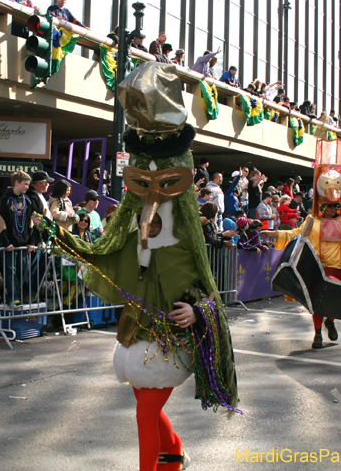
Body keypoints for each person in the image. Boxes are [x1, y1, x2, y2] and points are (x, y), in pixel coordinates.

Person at [40, 64, 239, 470]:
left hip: (168, 336)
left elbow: (202, 283)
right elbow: (107, 251)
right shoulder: (131, 228)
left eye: (164, 180)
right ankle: (174, 453)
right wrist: (67, 237)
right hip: (137, 329)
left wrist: (196, 310)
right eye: (142, 179)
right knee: (144, 404)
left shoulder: (184, 237)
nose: (152, 189)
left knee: (145, 412)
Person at [262, 140, 341, 349]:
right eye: (330, 206)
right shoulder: (313, 221)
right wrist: (274, 233)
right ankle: (317, 334)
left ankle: (330, 323)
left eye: (336, 206)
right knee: (317, 302)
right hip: (318, 266)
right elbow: (298, 234)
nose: (334, 208)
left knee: (331, 301)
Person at [0, 171, 42, 306]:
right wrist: (6, 242)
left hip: (23, 242)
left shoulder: (27, 200)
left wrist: (31, 242)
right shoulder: (5, 200)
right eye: (25, 184)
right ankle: (12, 297)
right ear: (16, 183)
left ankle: (17, 294)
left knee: (24, 270)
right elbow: (1, 222)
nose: (27, 187)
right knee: (11, 271)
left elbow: (30, 222)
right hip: (10, 244)